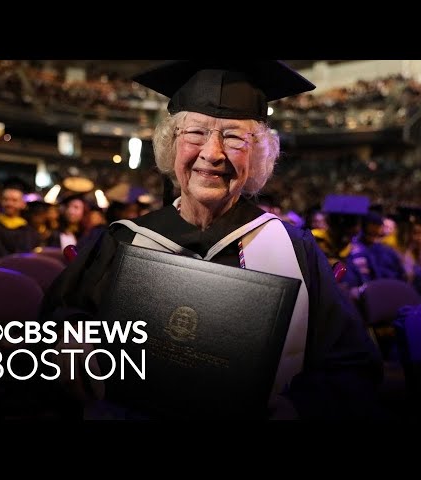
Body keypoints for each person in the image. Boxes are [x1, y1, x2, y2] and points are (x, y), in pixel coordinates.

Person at [40, 60, 384, 420]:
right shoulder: (120, 241)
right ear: (171, 146)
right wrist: (71, 340)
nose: (212, 153)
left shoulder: (294, 248)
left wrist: (296, 407)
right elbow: (58, 322)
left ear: (259, 155)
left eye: (234, 136)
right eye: (196, 133)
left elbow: (352, 365)